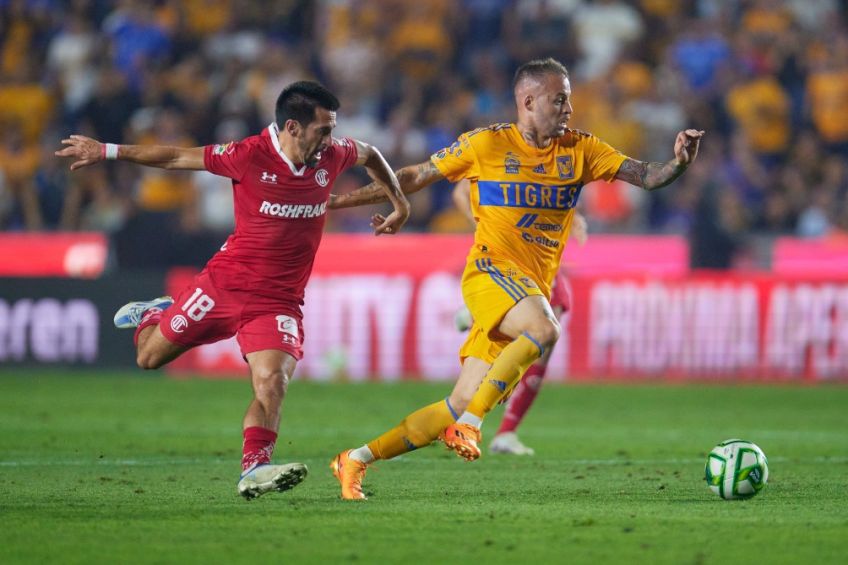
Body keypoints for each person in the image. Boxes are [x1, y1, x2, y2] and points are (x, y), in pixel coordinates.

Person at [327, 57, 703, 500]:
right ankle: (471, 428)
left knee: (458, 402)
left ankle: (355, 459)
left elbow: (646, 176)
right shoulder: (486, 144)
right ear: (527, 101)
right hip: (489, 269)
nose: (568, 108)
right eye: (558, 99)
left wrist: (678, 162)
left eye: (569, 99)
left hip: (530, 286)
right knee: (544, 329)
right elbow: (414, 176)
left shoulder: (582, 150)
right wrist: (337, 202)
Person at [56, 81, 410, 499]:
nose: (330, 139)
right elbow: (174, 157)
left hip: (278, 300)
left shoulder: (333, 154)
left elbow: (372, 154)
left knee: (272, 381)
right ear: (293, 127)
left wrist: (400, 203)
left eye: (332, 129)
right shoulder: (247, 155)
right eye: (322, 129)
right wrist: (108, 151)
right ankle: (157, 313)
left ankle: (254, 467)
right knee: (148, 357)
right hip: (225, 284)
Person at [451, 178, 588, 456]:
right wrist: (482, 227)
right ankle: (496, 428)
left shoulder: (550, 153)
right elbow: (461, 191)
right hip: (509, 259)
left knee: (549, 324)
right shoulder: (499, 148)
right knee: (546, 325)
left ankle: (504, 431)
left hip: (539, 259)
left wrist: (571, 217)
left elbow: (551, 200)